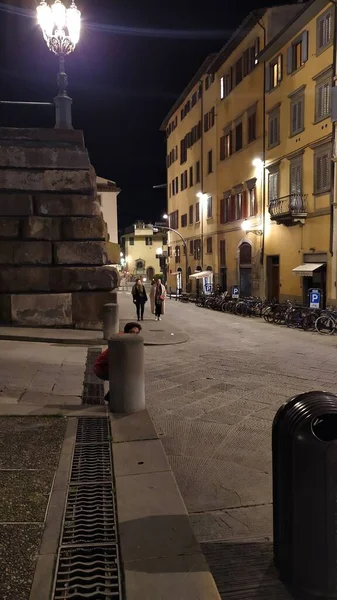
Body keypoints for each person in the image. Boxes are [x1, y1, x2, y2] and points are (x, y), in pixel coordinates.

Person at [93, 322, 142, 402]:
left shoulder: (124, 339)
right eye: (132, 332)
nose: (134, 335)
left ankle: (113, 397)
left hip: (107, 366)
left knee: (126, 377)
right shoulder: (121, 341)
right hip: (102, 368)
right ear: (126, 332)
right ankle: (113, 398)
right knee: (125, 378)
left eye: (136, 333)